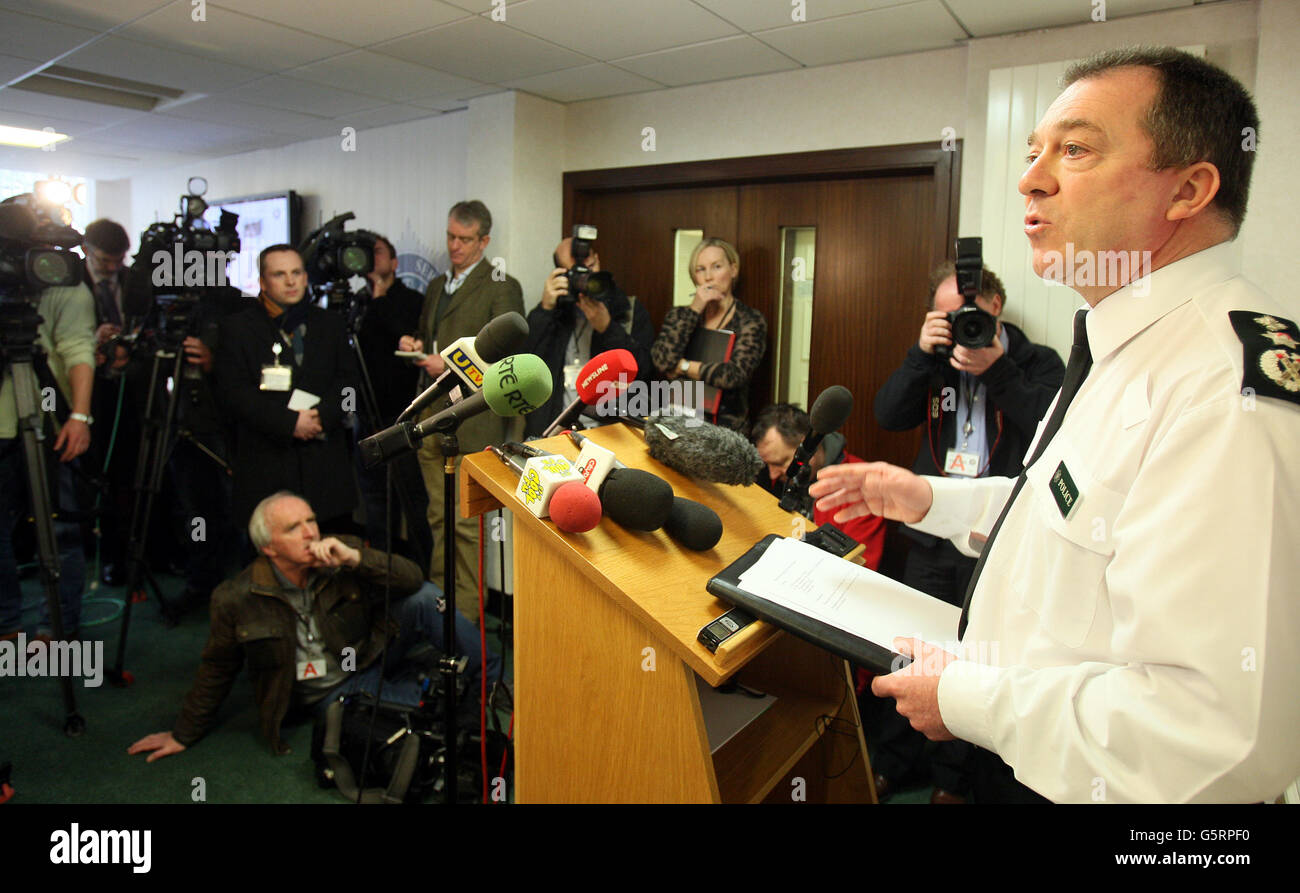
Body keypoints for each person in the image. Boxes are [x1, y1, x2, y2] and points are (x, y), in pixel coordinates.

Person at [811, 47, 1300, 803]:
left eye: (1073, 150)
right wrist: (928, 498)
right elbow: (1069, 513)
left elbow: (1217, 737)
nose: (1030, 178)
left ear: (1190, 188)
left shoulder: (1221, 385)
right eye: (1034, 151)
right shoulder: (1119, 336)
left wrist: (970, 700)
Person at [869, 261, 1064, 802]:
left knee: (977, 659)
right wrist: (917, 354)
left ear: (994, 307)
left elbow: (1050, 430)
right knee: (911, 649)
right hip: (931, 535)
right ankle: (892, 761)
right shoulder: (932, 365)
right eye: (945, 314)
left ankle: (953, 782)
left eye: (966, 313)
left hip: (996, 541)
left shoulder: (1036, 362)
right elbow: (888, 414)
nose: (957, 324)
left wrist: (997, 370)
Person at [127, 491, 502, 759]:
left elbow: (411, 579)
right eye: (294, 527)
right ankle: (425, 688)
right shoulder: (236, 598)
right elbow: (217, 667)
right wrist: (183, 733)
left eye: (311, 520)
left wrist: (355, 558)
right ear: (268, 548)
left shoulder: (338, 550)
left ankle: (494, 677)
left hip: (368, 650)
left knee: (424, 596)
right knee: (434, 709)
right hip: (333, 690)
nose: (311, 532)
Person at [398, 201, 524, 619]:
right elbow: (430, 335)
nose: (455, 246)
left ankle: (466, 622)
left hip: (473, 423)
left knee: (466, 529)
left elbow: (509, 358)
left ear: (484, 241)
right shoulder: (436, 285)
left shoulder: (502, 285)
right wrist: (417, 346)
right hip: (430, 418)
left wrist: (448, 365)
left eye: (465, 239)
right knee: (439, 521)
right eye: (451, 236)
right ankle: (440, 614)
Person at [213, 245, 358, 534]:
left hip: (325, 464)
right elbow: (234, 395)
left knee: (332, 561)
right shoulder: (238, 329)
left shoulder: (330, 323)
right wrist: (290, 423)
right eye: (279, 275)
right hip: (268, 466)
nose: (291, 282)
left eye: (296, 273)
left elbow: (349, 385)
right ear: (263, 282)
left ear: (306, 278)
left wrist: (321, 418)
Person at [0, 216, 95, 644]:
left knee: (61, 529)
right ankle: (6, 624)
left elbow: (78, 346)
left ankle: (56, 627)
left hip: (50, 419)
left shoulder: (64, 278)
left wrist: (79, 416)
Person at [522, 235, 655, 438]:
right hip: (556, 432)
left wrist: (608, 328)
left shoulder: (628, 310)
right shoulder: (553, 314)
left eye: (589, 268)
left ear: (598, 261)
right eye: (576, 273)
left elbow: (644, 371)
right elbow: (526, 364)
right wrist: (545, 309)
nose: (584, 279)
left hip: (609, 434)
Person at [352, 235, 429, 561]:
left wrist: (381, 298)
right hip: (363, 415)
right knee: (374, 499)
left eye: (379, 252)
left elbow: (405, 336)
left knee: (411, 500)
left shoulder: (410, 299)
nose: (371, 257)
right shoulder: (356, 302)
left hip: (400, 416)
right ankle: (378, 567)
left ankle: (418, 574)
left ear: (395, 264)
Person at [750, 402, 885, 570]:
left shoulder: (861, 487)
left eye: (781, 463)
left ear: (808, 447)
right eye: (768, 464)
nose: (772, 475)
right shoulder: (776, 478)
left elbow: (861, 566)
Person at [651, 238, 767, 432]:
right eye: (700, 269)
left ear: (733, 270)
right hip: (677, 419)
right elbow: (662, 360)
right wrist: (695, 308)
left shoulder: (750, 320)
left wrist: (683, 366)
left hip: (724, 428)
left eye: (717, 267)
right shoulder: (680, 315)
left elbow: (734, 375)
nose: (708, 277)